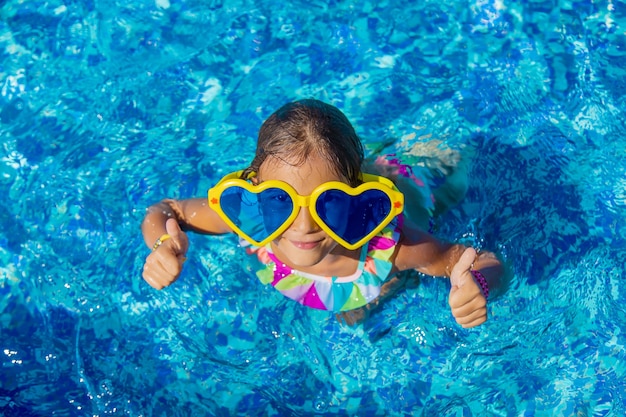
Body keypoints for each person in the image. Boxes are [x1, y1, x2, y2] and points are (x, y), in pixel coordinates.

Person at [141, 99, 504, 328]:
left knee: (453, 174)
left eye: (327, 203)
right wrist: (162, 243)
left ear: (358, 200)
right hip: (351, 173)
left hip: (414, 185)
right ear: (257, 192)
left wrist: (478, 286)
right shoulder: (244, 215)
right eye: (280, 201)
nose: (303, 226)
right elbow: (167, 209)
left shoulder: (394, 249)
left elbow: (476, 260)